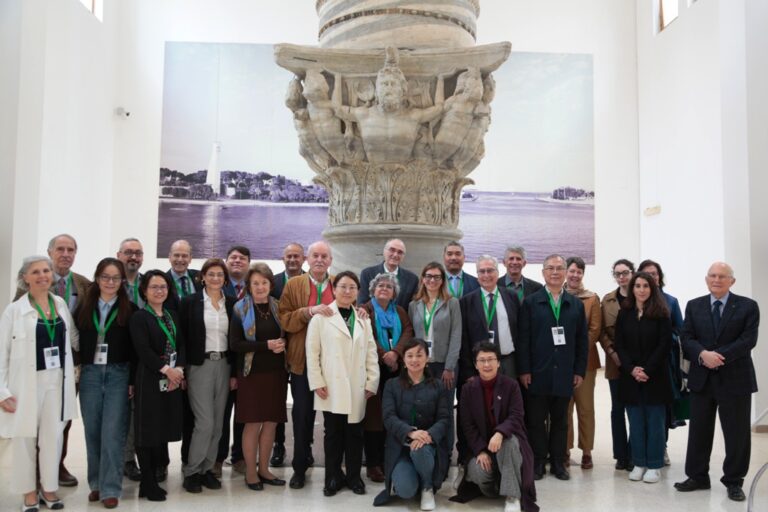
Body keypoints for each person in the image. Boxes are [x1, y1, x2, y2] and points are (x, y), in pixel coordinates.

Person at [674, 262, 759, 502]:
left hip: (735, 378)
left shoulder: (748, 306)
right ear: (706, 279)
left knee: (737, 433)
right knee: (699, 430)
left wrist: (719, 357)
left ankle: (734, 481)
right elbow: (686, 337)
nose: (717, 279)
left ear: (732, 281)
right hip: (702, 378)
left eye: (722, 276)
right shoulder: (694, 305)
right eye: (712, 275)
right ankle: (698, 476)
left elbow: (748, 340)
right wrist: (703, 355)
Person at [1, 256, 78, 512]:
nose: (43, 275)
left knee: (53, 437)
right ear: (25, 277)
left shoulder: (59, 304)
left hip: (56, 381)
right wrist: (2, 392)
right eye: (36, 272)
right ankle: (29, 493)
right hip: (26, 384)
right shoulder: (15, 310)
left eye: (46, 270)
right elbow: (2, 352)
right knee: (25, 438)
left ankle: (49, 488)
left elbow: (72, 338)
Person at [13, 234, 90, 487]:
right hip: (35, 363)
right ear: (50, 251)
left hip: (70, 364)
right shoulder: (30, 283)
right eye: (60, 249)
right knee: (33, 420)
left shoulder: (84, 284)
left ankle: (56, 465)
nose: (65, 254)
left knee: (62, 419)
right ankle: (33, 471)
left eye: (70, 249)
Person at [306, 271, 380, 497]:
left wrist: (372, 381)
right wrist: (317, 381)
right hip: (331, 386)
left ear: (358, 292)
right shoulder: (321, 317)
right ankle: (332, 477)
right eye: (343, 287)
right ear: (334, 289)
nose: (347, 291)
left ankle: (354, 477)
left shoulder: (362, 319)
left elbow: (371, 352)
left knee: (355, 434)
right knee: (333, 434)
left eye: (352, 288)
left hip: (357, 386)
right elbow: (313, 353)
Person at [517, 254, 587, 481]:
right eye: (550, 268)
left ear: (566, 272)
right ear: (543, 273)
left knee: (560, 421)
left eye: (559, 268)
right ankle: (538, 461)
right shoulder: (531, 302)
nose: (555, 272)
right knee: (536, 421)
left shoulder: (575, 304)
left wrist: (578, 371)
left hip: (564, 372)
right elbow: (523, 339)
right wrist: (524, 370)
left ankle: (558, 462)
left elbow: (581, 342)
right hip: (537, 372)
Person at [74, 257, 136, 509]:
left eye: (115, 278)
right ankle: (96, 484)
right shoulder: (84, 307)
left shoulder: (129, 309)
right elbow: (75, 340)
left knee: (113, 432)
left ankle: (111, 488)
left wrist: (132, 381)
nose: (110, 282)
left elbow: (134, 350)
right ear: (97, 279)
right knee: (92, 431)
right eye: (105, 277)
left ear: (122, 282)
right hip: (90, 374)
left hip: (118, 374)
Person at [278, 240, 335, 489]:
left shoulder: (339, 285)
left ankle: (333, 471)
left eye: (324, 256)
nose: (320, 260)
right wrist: (308, 312)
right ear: (307, 260)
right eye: (315, 256)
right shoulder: (293, 285)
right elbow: (285, 320)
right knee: (302, 417)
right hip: (302, 364)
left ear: (330, 261)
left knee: (333, 420)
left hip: (332, 366)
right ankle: (299, 468)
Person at [455, 342, 538, 512]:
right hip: (483, 446)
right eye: (482, 360)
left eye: (491, 359)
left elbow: (516, 416)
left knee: (508, 443)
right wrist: (480, 450)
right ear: (476, 364)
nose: (487, 364)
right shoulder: (467, 390)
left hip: (510, 443)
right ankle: (497, 487)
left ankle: (512, 496)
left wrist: (500, 433)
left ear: (498, 362)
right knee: (477, 473)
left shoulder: (511, 385)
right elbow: (467, 425)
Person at [373, 338, 453, 511]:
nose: (414, 360)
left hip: (428, 447)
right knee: (406, 491)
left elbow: (445, 419)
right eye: (410, 355)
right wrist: (410, 432)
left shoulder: (438, 386)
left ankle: (427, 487)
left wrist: (427, 435)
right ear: (403, 359)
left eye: (419, 355)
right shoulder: (391, 385)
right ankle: (413, 478)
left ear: (427, 359)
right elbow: (388, 417)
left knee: (420, 449)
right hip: (401, 448)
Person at [178, 258, 235, 493]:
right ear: (202, 276)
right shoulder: (189, 303)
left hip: (224, 365)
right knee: (204, 422)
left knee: (219, 423)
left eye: (220, 275)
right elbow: (181, 338)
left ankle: (207, 469)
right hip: (199, 366)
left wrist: (236, 372)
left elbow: (236, 339)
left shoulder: (231, 304)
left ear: (225, 278)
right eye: (211, 274)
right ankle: (192, 471)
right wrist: (181, 369)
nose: (215, 278)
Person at [230, 263, 289, 491]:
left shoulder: (278, 306)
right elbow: (235, 344)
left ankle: (265, 469)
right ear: (249, 285)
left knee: (271, 423)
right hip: (251, 374)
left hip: (276, 374)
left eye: (264, 282)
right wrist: (266, 345)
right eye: (255, 283)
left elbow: (288, 336)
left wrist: (283, 343)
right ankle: (251, 473)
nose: (260, 286)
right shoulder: (240, 309)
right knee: (253, 423)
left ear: (270, 285)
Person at [129, 270, 185, 502]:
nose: (159, 291)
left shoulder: (172, 315)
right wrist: (167, 371)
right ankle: (148, 482)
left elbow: (182, 343)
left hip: (172, 380)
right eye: (154, 287)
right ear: (144, 291)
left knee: (162, 428)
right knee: (147, 431)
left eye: (163, 286)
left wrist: (179, 370)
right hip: (150, 379)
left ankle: (155, 475)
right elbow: (143, 350)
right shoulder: (140, 317)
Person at [614, 272, 672, 484]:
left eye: (645, 286)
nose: (641, 290)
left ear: (652, 288)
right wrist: (632, 369)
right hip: (631, 377)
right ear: (632, 289)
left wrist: (647, 369)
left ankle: (655, 465)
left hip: (655, 376)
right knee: (636, 421)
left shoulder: (662, 313)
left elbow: (664, 345)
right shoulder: (625, 313)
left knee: (655, 422)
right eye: (637, 286)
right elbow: (619, 343)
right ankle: (639, 462)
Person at [362, 272, 415, 482]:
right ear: (373, 290)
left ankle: (387, 459)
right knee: (373, 417)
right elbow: (367, 335)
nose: (384, 288)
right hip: (373, 368)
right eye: (380, 285)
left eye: (389, 287)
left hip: (396, 369)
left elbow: (408, 331)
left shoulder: (400, 311)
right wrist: (384, 354)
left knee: (392, 413)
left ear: (394, 293)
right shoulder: (365, 310)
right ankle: (373, 463)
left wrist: (396, 353)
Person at [637, 258, 686, 464]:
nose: (651, 276)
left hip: (665, 363)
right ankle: (640, 451)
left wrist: (661, 340)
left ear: (659, 277)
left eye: (654, 274)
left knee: (662, 408)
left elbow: (680, 331)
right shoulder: (635, 303)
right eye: (646, 273)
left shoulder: (670, 301)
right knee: (639, 409)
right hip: (638, 365)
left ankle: (661, 447)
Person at [563, 256, 602, 470]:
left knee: (586, 408)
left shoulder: (591, 298)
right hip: (561, 363)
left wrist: (575, 350)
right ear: (565, 272)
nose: (575, 275)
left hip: (586, 362)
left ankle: (587, 451)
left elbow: (594, 330)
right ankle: (565, 450)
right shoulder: (556, 296)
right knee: (564, 409)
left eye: (579, 272)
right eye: (572, 271)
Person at [215, 245, 251, 477]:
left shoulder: (254, 286)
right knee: (221, 412)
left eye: (242, 258)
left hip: (248, 360)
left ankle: (239, 456)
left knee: (244, 412)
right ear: (226, 261)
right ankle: (217, 458)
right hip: (224, 359)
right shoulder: (217, 285)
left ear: (248, 262)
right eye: (233, 258)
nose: (237, 261)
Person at [269, 242, 305, 467]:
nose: (292, 260)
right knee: (278, 401)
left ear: (304, 259)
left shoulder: (313, 283)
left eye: (296, 257)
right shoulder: (273, 283)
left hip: (303, 350)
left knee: (303, 404)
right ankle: (278, 446)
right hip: (278, 351)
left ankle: (305, 446)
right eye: (289, 256)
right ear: (283, 259)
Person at [599, 258, 635, 471]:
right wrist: (612, 353)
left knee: (636, 410)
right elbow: (602, 331)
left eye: (625, 272)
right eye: (618, 273)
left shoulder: (642, 295)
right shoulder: (608, 300)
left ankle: (634, 452)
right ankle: (621, 456)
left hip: (639, 363)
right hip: (616, 364)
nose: (622, 277)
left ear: (633, 273)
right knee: (617, 409)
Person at [460, 255, 519, 379]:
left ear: (498, 273)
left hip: (509, 362)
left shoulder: (512, 296)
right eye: (482, 271)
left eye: (490, 270)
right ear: (477, 276)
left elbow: (520, 331)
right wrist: (469, 371)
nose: (486, 275)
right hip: (481, 364)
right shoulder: (467, 302)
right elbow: (464, 340)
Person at [115, 237, 145, 481]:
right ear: (119, 255)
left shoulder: (149, 284)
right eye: (128, 253)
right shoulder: (110, 283)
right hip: (117, 357)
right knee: (116, 412)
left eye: (137, 253)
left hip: (144, 358)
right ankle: (115, 459)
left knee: (137, 413)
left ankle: (129, 458)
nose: (133, 257)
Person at [358, 239, 419, 309]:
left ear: (403, 256)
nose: (395, 255)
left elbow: (412, 308)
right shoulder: (367, 273)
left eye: (400, 252)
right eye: (392, 250)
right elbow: (362, 303)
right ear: (384, 251)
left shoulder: (412, 279)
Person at [166, 239, 202, 305]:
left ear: (190, 258)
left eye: (184, 256)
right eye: (176, 255)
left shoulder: (200, 276)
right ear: (170, 257)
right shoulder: (163, 280)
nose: (180, 259)